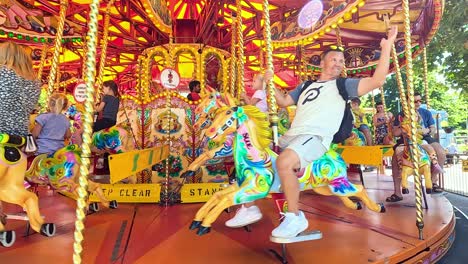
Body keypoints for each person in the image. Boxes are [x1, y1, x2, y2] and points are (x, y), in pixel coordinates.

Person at [268, 26, 398, 238]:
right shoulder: (306, 86)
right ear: (322, 63)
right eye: (334, 59)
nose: (338, 63)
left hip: (316, 137)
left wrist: (387, 47)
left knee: (284, 162)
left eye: (341, 61)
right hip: (293, 136)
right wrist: (269, 82)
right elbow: (283, 102)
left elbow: (377, 81)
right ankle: (247, 207)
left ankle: (294, 217)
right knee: (262, 162)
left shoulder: (342, 85)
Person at [224, 73, 268, 228]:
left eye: (255, 81)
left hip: (257, 124)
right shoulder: (261, 93)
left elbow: (250, 106)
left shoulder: (259, 92)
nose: (252, 83)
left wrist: (243, 97)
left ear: (261, 83)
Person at [386, 92, 445, 202]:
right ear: (408, 102)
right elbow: (395, 133)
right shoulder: (401, 115)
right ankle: (397, 193)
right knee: (395, 159)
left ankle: (433, 181)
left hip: (424, 137)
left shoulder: (425, 113)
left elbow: (433, 128)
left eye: (419, 101)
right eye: (415, 101)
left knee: (440, 152)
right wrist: (402, 127)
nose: (418, 103)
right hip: (406, 139)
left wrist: (426, 130)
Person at [0, 41, 40, 137]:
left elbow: (3, 103)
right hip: (21, 131)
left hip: (2, 131)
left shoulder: (5, 72)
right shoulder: (34, 80)